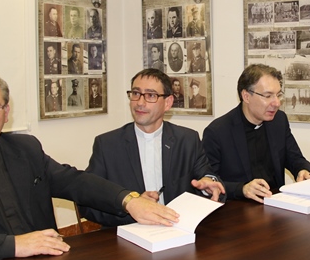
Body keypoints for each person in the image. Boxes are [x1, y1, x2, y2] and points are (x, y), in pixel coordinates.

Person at [0, 70, 178, 260]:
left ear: (6, 113)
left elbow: (73, 181)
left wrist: (129, 200)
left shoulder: (25, 149)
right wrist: (13, 245)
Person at [79, 68, 225, 227]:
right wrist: (129, 207)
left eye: (150, 95)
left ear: (167, 103)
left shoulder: (187, 140)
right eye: (136, 93)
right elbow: (87, 203)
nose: (140, 103)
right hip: (128, 234)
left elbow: (207, 178)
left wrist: (208, 186)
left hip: (177, 230)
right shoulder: (107, 145)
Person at [202, 64, 310, 203]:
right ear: (246, 96)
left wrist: (303, 170)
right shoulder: (217, 132)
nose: (277, 103)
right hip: (237, 208)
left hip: (275, 203)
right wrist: (242, 189)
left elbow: (295, 158)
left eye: (278, 95)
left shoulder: (279, 121)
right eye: (268, 96)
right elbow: (209, 183)